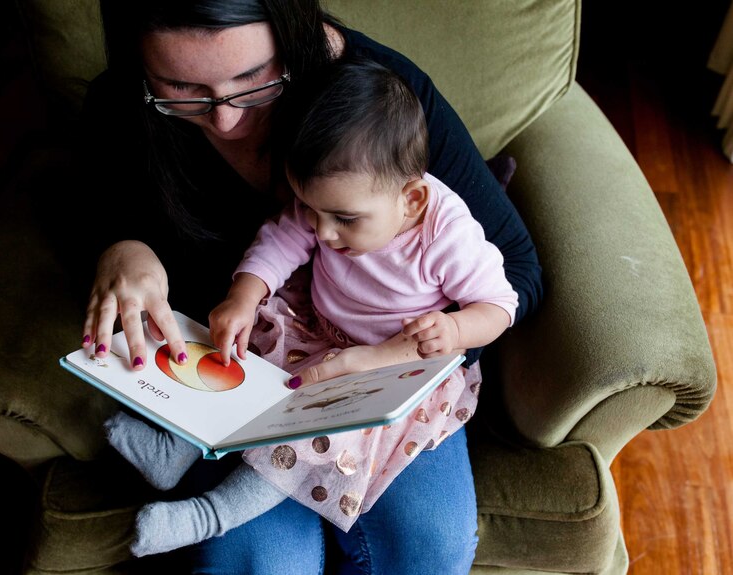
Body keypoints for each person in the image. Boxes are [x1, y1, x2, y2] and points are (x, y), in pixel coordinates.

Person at [64, 1, 542, 573]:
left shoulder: (381, 114)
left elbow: (516, 278)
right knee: (260, 562)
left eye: (251, 82)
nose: (225, 120)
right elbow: (278, 236)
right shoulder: (123, 109)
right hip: (284, 348)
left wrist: (399, 357)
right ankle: (192, 473)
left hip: (396, 375)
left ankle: (213, 506)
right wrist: (124, 247)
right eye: (181, 88)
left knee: (429, 551)